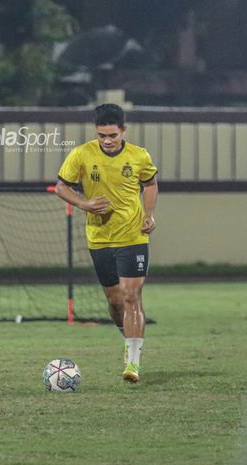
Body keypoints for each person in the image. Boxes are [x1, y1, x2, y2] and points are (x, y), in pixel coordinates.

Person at [54, 103, 158, 383]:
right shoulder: (81, 154)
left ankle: (133, 363)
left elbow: (150, 183)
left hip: (133, 236)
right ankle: (129, 339)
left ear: (123, 130)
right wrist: (84, 203)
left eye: (112, 135)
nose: (108, 141)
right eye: (102, 135)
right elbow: (60, 187)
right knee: (114, 302)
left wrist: (149, 215)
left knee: (131, 295)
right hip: (99, 239)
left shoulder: (139, 156)